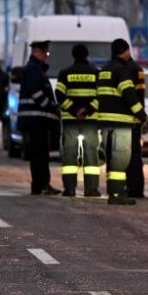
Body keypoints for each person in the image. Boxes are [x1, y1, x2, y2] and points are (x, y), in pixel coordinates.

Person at [97, 38, 147, 205]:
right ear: (124, 51)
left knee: (111, 158)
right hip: (121, 123)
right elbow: (129, 95)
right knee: (120, 158)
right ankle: (118, 194)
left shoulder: (104, 70)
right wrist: (141, 114)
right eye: (128, 51)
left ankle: (113, 192)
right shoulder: (122, 71)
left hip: (105, 122)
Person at [55, 44, 102, 197]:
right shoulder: (96, 73)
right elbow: (101, 96)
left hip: (70, 121)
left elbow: (60, 95)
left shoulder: (65, 73)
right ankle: (91, 189)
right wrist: (87, 110)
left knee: (69, 155)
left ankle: (69, 188)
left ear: (73, 55)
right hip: (90, 121)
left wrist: (74, 110)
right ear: (87, 55)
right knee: (91, 155)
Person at [18, 40, 61, 195]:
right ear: (37, 52)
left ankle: (42, 184)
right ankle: (40, 185)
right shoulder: (34, 70)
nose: (46, 56)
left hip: (36, 119)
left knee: (41, 154)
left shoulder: (36, 69)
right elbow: (36, 93)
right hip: (36, 119)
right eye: (45, 53)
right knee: (39, 155)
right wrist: (51, 107)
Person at [125, 54, 147, 198]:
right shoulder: (136, 69)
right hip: (134, 120)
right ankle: (136, 188)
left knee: (129, 156)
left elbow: (133, 96)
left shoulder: (127, 70)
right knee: (134, 155)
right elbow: (140, 95)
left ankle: (132, 188)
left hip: (128, 119)